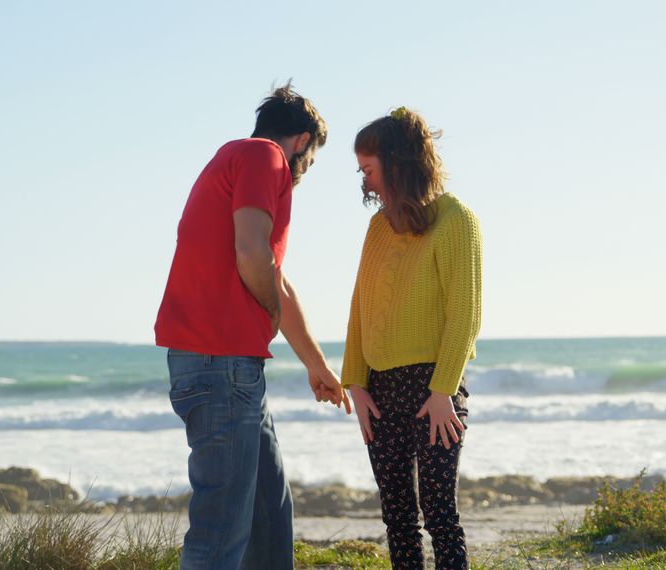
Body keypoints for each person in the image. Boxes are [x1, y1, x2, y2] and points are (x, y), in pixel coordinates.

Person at [154, 82, 350, 569]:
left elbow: (276, 281)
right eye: (312, 159)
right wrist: (266, 310)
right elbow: (252, 256)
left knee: (268, 515)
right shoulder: (266, 158)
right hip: (222, 366)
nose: (305, 171)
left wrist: (317, 365)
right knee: (219, 534)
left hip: (230, 368)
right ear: (303, 141)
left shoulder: (233, 158)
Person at [341, 107, 482, 569]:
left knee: (440, 515)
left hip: (433, 389)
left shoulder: (456, 219)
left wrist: (444, 391)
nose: (364, 180)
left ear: (397, 164)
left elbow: (466, 314)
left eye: (369, 168)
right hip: (380, 389)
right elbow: (361, 308)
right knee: (397, 517)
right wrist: (355, 384)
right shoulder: (377, 227)